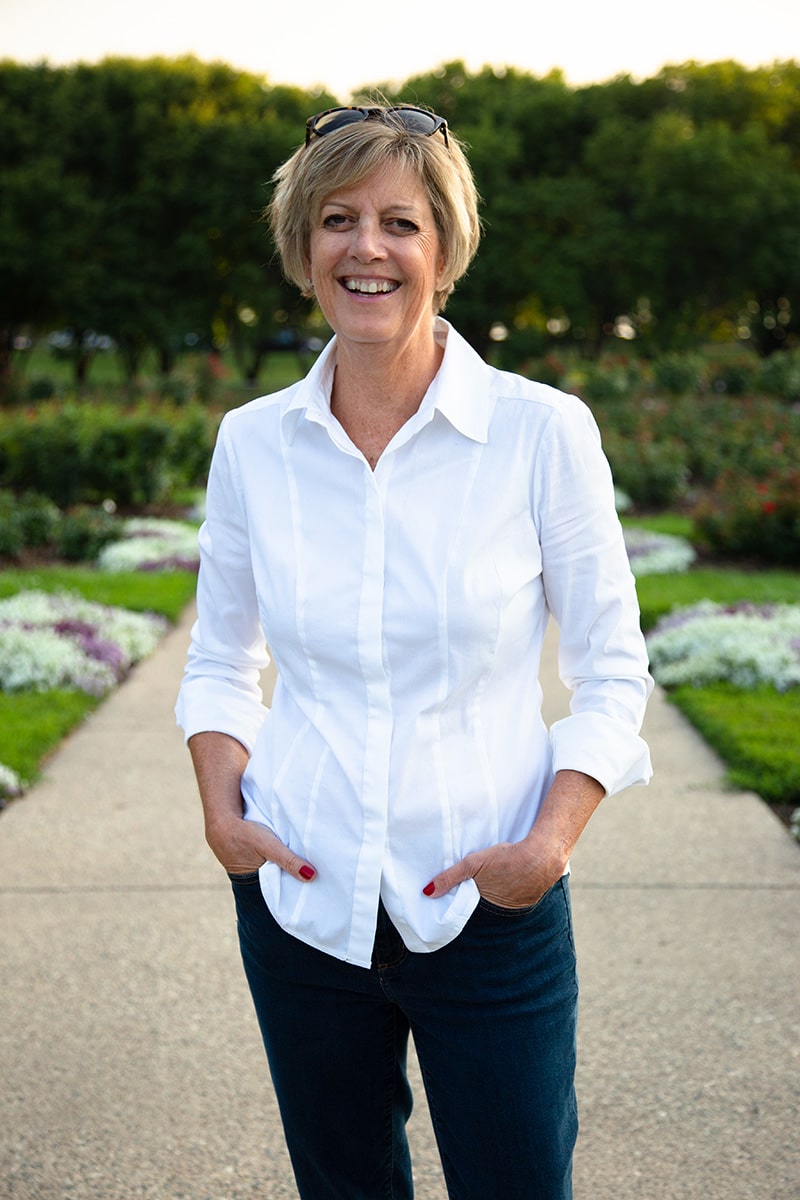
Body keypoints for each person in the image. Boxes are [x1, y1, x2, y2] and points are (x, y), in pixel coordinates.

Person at [176, 103, 653, 1200]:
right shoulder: (254, 442)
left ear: (443, 247)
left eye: (400, 221)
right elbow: (219, 657)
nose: (367, 248)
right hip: (301, 898)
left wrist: (544, 846)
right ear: (304, 251)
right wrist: (221, 816)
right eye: (337, 219)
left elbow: (610, 666)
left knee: (518, 1184)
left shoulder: (541, 431)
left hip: (490, 902)